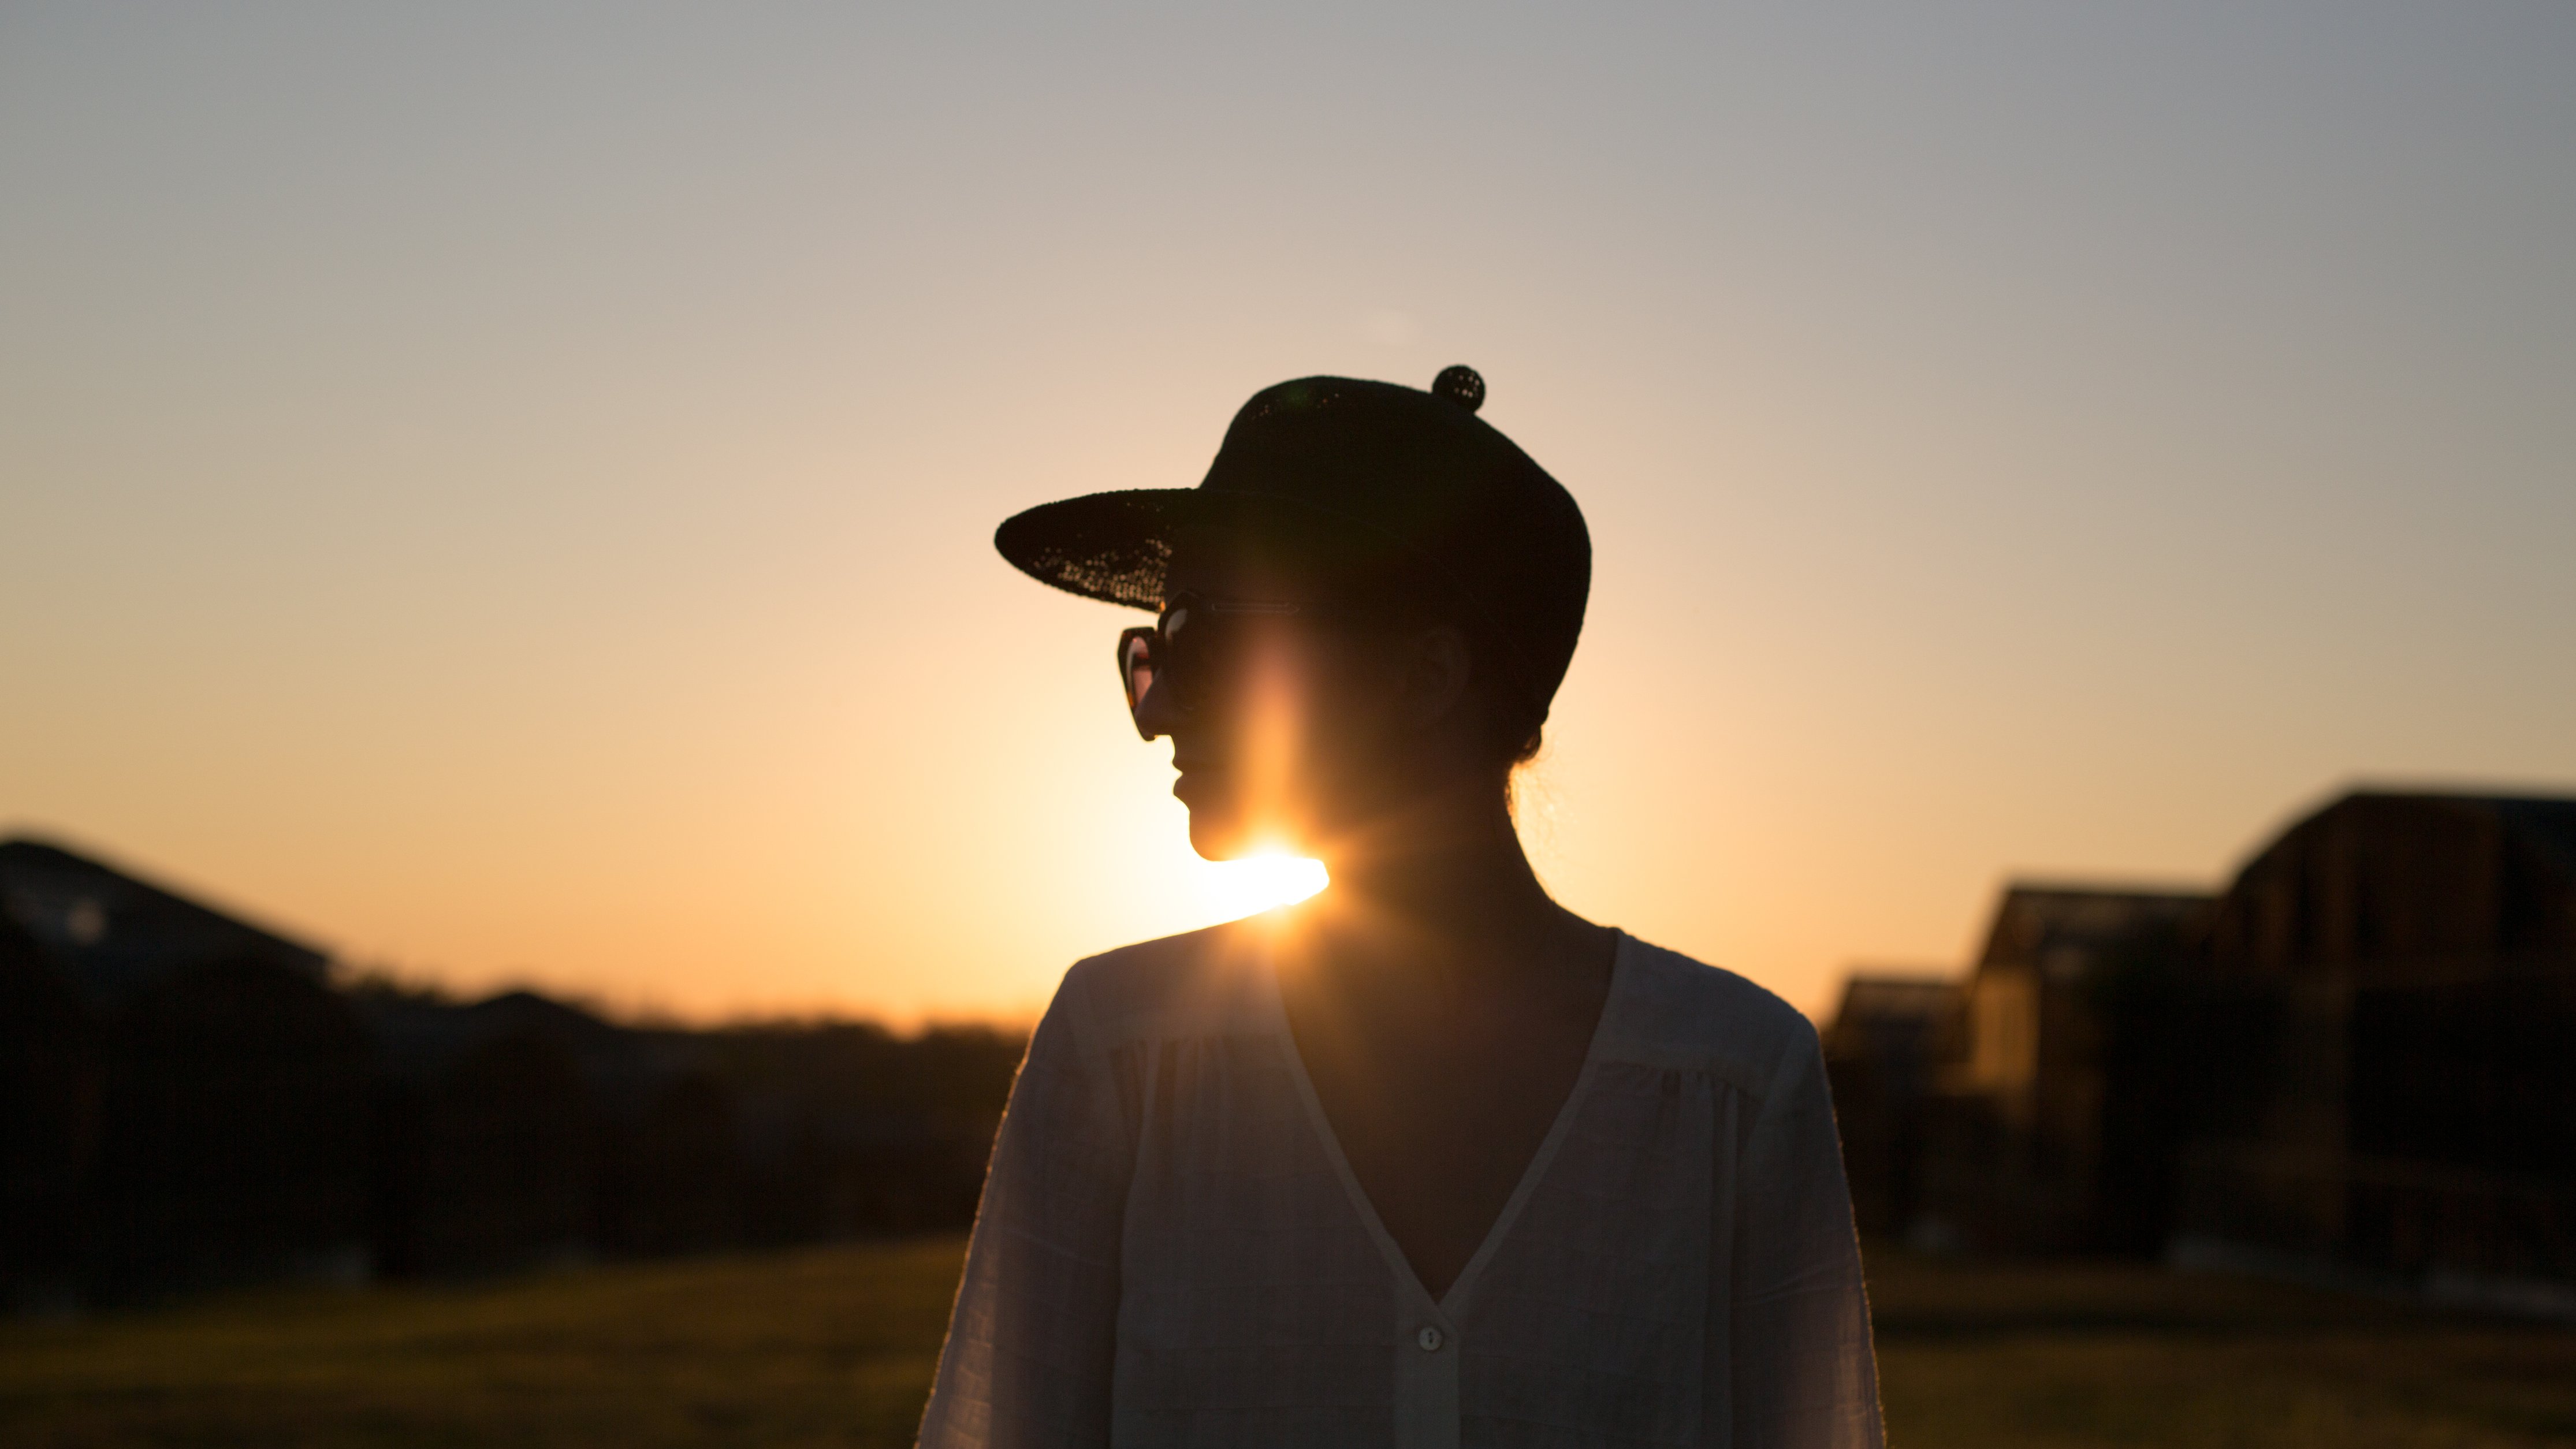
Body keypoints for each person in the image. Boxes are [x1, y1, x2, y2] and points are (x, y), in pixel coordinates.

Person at [918, 367, 1883, 1449]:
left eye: (1210, 638)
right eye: (1152, 652)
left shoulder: (1732, 1087)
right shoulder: (1124, 1051)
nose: (1163, 708)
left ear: (1423, 675)